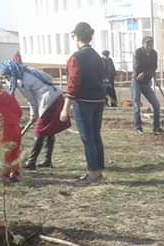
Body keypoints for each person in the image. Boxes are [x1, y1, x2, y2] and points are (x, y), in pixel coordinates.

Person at [0, 60, 70, 170]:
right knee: (49, 130)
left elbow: (31, 101)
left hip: (49, 101)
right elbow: (48, 78)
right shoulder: (28, 71)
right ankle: (47, 160)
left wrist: (33, 115)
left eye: (6, 77)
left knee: (39, 131)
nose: (6, 80)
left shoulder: (21, 81)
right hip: (57, 97)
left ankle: (31, 162)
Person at [60, 22, 106, 185]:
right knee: (95, 136)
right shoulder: (97, 56)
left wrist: (65, 108)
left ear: (77, 36)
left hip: (84, 101)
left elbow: (73, 83)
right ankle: (98, 171)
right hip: (98, 100)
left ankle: (93, 174)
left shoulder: (77, 57)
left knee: (88, 139)